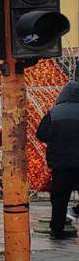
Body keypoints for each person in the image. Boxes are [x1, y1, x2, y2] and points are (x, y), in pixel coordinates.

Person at [37, 82, 79, 238]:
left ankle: (56, 231)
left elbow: (40, 134)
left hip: (61, 164)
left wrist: (56, 140)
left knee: (60, 199)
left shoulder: (54, 112)